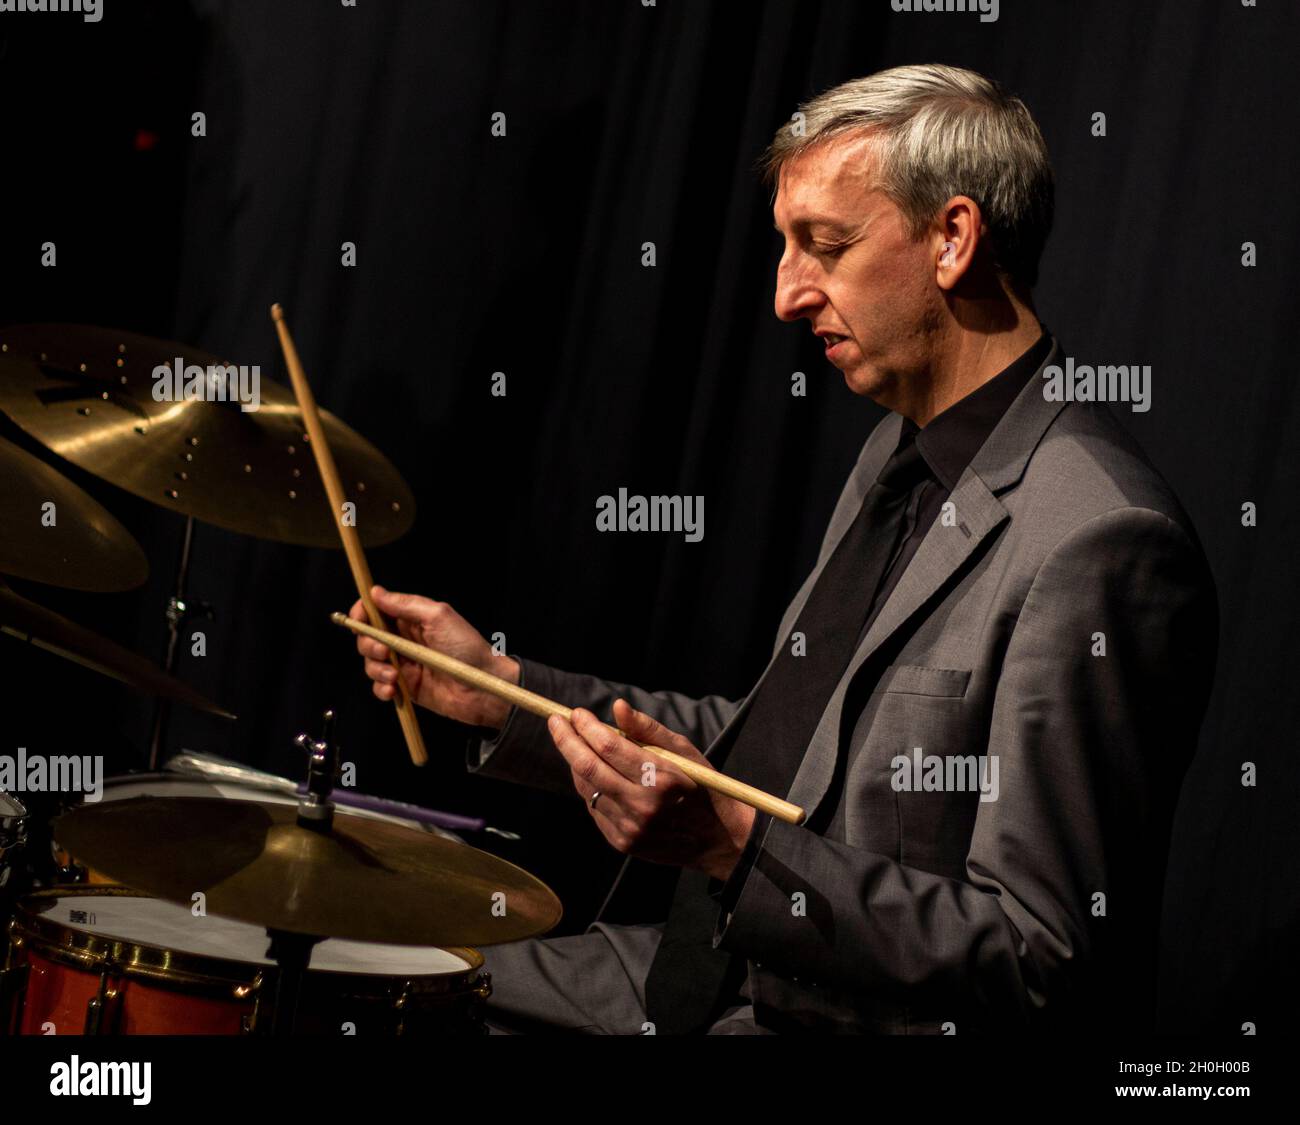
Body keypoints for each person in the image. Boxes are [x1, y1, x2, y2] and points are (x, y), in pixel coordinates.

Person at [350, 63, 1217, 1035]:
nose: (784, 297)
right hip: (687, 976)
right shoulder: (898, 449)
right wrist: (501, 689)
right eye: (782, 248)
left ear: (953, 239)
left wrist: (732, 849)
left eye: (824, 246)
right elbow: (777, 754)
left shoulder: (1101, 541)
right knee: (367, 976)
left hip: (813, 1016)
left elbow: (1039, 957)